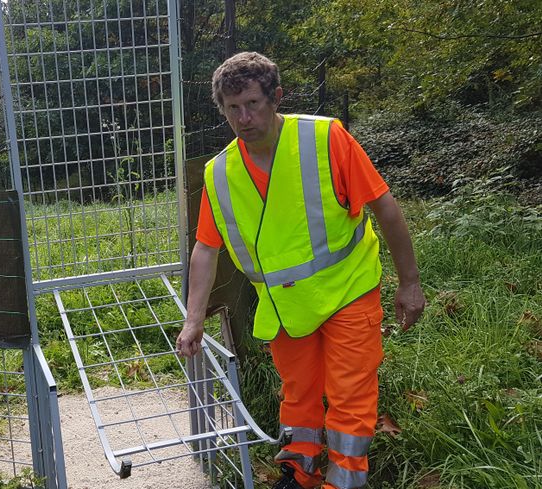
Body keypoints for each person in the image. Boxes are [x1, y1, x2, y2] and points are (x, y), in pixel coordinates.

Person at [176, 52, 426, 489]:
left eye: (252, 103)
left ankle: (344, 481)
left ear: (276, 98)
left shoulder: (325, 138)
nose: (244, 117)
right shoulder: (219, 173)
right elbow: (205, 248)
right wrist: (194, 317)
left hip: (348, 291)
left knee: (349, 394)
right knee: (299, 396)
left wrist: (410, 283)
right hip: (287, 307)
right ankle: (299, 471)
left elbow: (384, 206)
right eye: (233, 108)